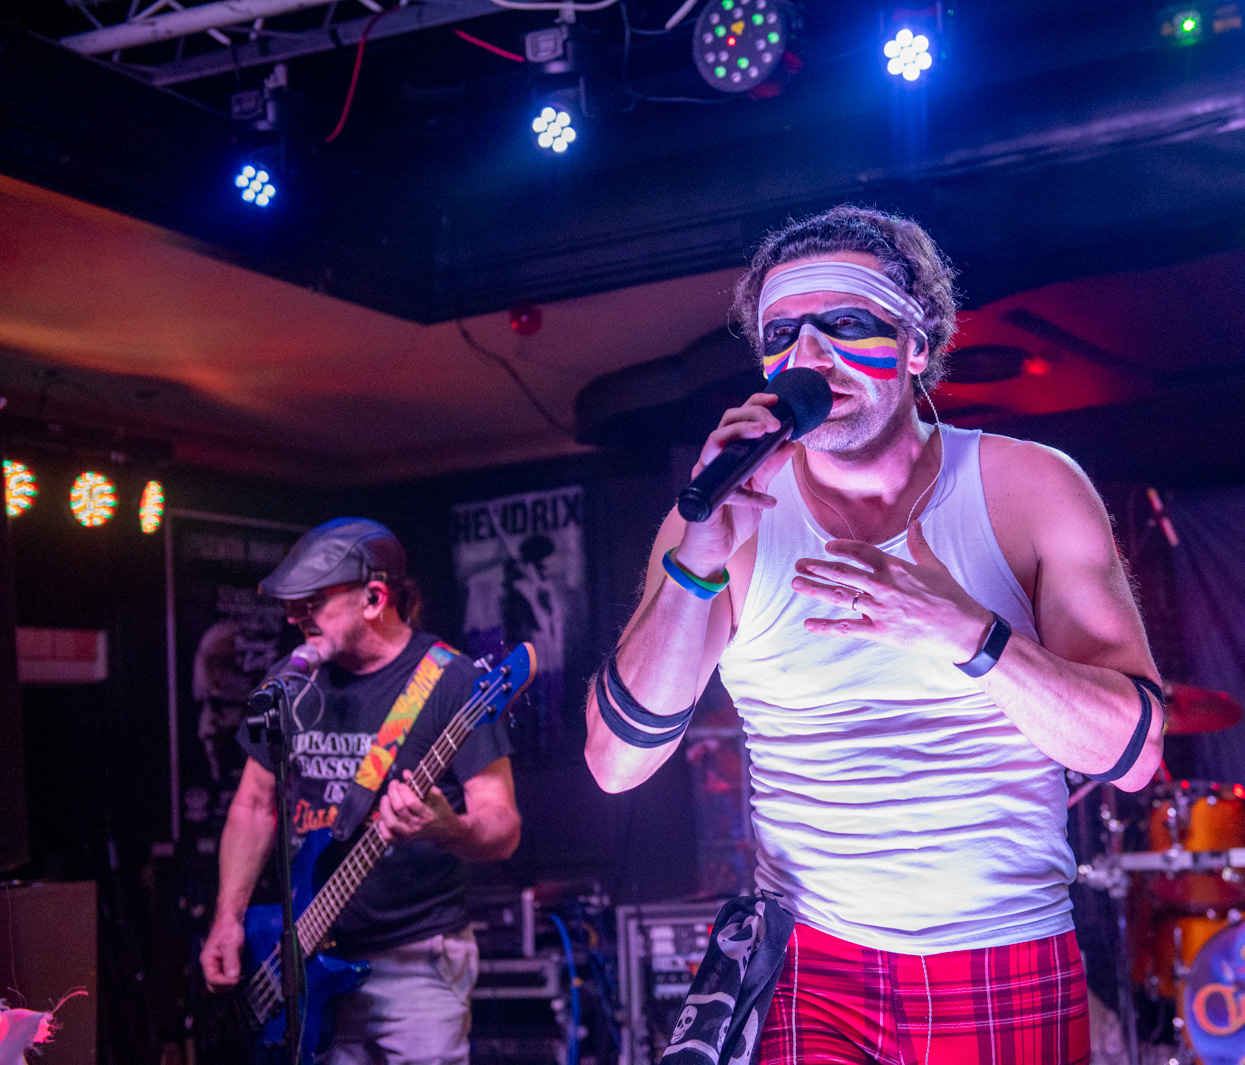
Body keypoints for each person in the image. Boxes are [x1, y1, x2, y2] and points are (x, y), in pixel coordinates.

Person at [585, 206, 1164, 1063]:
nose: (810, 356)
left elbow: (1135, 755)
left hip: (1000, 947)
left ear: (917, 344)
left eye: (847, 323)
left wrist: (971, 635)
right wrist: (696, 559)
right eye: (783, 333)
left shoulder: (1029, 487)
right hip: (808, 958)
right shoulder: (723, 514)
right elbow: (615, 763)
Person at [199, 518, 521, 1065]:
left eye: (312, 603)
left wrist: (448, 827)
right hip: (304, 958)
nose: (294, 617)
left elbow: (502, 826)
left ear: (374, 598)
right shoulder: (290, 683)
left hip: (417, 963)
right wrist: (228, 918)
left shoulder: (452, 682)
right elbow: (253, 805)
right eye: (291, 604)